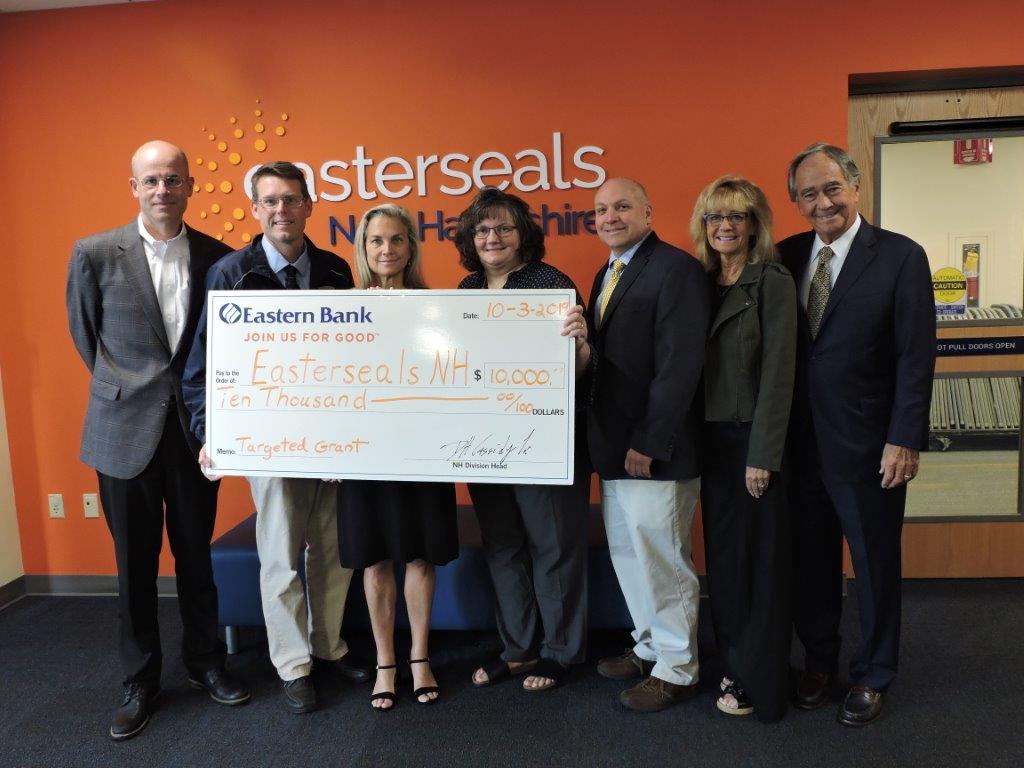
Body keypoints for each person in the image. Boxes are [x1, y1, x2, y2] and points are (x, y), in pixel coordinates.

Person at [66, 140, 250, 741]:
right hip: (123, 434)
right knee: (133, 567)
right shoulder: (94, 254)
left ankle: (204, 663)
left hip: (193, 434)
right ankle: (139, 680)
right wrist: (128, 389)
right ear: (134, 188)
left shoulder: (219, 257)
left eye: (173, 179)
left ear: (191, 186)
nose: (163, 190)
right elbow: (85, 334)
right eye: (151, 180)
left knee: (197, 557)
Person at [182, 161, 369, 715]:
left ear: (309, 204)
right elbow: (202, 367)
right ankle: (293, 664)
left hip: (332, 443)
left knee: (334, 552)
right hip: (269, 443)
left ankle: (328, 646)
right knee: (281, 554)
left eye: (291, 199)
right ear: (256, 210)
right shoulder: (229, 274)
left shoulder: (336, 271)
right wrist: (209, 432)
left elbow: (359, 360)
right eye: (270, 202)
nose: (282, 211)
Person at [779, 144, 935, 726]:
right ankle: (820, 659)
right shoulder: (785, 256)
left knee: (873, 561)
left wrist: (905, 438)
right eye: (809, 194)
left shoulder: (899, 256)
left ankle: (874, 671)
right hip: (798, 444)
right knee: (811, 560)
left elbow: (915, 357)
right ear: (796, 201)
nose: (823, 203)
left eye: (832, 189)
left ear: (855, 186)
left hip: (871, 445)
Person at [573, 177, 710, 713]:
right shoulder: (607, 271)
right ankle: (650, 644)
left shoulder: (676, 270)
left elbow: (681, 365)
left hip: (656, 451)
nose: (610, 216)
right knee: (630, 554)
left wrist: (650, 442)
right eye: (601, 209)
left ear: (648, 211)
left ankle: (679, 667)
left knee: (663, 557)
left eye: (622, 206)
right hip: (613, 448)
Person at [454, 187, 592, 692]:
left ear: (523, 235)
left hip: (544, 439)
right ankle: (517, 649)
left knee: (554, 544)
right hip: (484, 444)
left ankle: (560, 652)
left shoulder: (550, 284)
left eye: (503, 228)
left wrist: (580, 347)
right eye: (482, 229)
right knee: (503, 547)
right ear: (471, 239)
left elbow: (579, 372)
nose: (492, 237)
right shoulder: (464, 292)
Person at [336, 204, 459, 710]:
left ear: (411, 246)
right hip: (366, 455)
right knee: (375, 556)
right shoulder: (343, 311)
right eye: (375, 242)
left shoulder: (441, 307)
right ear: (364, 251)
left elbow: (456, 374)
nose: (386, 250)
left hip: (424, 452)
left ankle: (420, 659)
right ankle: (386, 661)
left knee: (419, 553)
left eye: (395, 240)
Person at [690, 176, 796, 721]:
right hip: (709, 442)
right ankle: (733, 662)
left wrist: (763, 454)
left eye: (735, 216)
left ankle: (762, 676)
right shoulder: (702, 282)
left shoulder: (772, 281)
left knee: (760, 563)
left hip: (752, 443)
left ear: (755, 224)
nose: (724, 227)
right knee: (725, 563)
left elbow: (780, 375)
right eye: (714, 217)